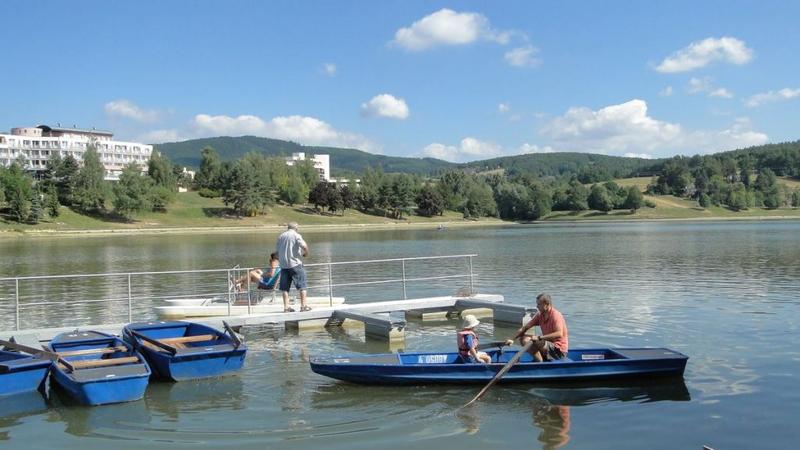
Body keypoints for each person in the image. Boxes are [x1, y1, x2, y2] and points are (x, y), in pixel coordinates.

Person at [505, 293, 568, 362]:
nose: (537, 306)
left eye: (539, 304)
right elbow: (525, 328)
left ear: (547, 305)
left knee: (536, 340)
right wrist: (512, 339)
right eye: (537, 304)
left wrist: (539, 337)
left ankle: (540, 364)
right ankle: (540, 361)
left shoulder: (556, 315)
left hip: (558, 351)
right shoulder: (540, 315)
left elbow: (559, 334)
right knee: (524, 339)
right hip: (547, 347)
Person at [276, 222, 310, 312]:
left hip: (283, 265)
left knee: (284, 288)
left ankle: (286, 307)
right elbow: (304, 246)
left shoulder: (281, 236)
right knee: (302, 286)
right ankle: (303, 306)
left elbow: (277, 252)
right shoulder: (296, 235)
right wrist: (305, 253)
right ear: (296, 228)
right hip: (295, 264)